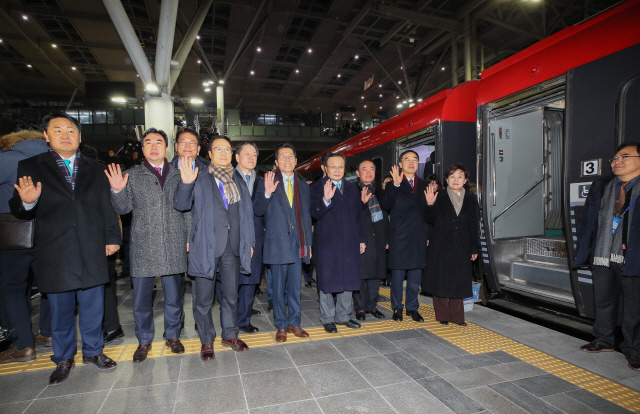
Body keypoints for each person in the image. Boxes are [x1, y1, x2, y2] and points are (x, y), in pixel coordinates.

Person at [10, 113, 121, 385]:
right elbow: (19, 208)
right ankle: (63, 357)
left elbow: (106, 207)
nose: (65, 135)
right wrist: (27, 202)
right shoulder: (32, 165)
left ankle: (94, 351)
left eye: (70, 130)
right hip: (55, 248)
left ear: (79, 137)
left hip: (92, 244)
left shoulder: (96, 168)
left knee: (93, 304)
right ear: (46, 136)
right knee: (60, 308)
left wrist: (113, 237)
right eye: (57, 130)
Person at [106, 128, 190, 363]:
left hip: (173, 239)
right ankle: (144, 340)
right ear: (142, 149)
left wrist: (188, 236)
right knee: (142, 297)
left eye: (159, 142)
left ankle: (173, 335)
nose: (154, 146)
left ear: (167, 148)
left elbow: (187, 210)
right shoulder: (131, 175)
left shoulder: (178, 174)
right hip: (144, 242)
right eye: (149, 142)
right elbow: (123, 209)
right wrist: (117, 189)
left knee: (174, 295)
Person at [174, 135, 255, 359]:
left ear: (232, 155)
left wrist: (250, 243)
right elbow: (180, 205)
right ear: (209, 154)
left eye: (227, 150)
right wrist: (186, 183)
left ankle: (230, 334)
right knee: (203, 299)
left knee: (231, 296)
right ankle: (207, 340)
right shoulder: (199, 178)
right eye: (218, 149)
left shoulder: (238, 179)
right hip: (206, 246)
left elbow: (247, 215)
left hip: (233, 247)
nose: (223, 153)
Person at [574, 142, 640, 371]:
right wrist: (585, 253)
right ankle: (604, 340)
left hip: (633, 256)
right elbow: (589, 222)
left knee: (635, 307)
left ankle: (635, 350)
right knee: (603, 300)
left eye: (625, 156)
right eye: (614, 158)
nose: (617, 161)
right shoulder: (602, 185)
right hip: (602, 254)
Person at [0, 126, 52, 364]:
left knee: (13, 288)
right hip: (48, 232)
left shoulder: (7, 159)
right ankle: (48, 332)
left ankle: (24, 344)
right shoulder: (53, 159)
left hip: (12, 233)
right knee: (51, 285)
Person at [253, 143, 311, 343]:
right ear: (276, 163)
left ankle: (295, 323)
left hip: (297, 245)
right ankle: (281, 325)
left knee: (295, 288)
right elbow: (258, 210)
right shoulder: (266, 182)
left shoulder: (303, 186)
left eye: (291, 157)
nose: (287, 160)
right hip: (277, 244)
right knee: (277, 289)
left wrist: (308, 244)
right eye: (283, 157)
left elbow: (307, 217)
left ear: (296, 161)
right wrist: (267, 193)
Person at [311, 152, 366, 333]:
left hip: (350, 241)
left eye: (340, 166)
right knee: (327, 280)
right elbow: (315, 214)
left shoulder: (352, 188)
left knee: (348, 278)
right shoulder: (317, 188)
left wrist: (361, 239)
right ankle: (327, 318)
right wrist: (326, 200)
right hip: (327, 243)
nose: (337, 170)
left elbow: (359, 217)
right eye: (332, 166)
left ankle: (343, 315)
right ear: (324, 168)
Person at [424, 164, 479, 326]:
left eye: (460, 176)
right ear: (447, 179)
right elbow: (428, 219)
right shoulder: (439, 197)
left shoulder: (470, 198)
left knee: (459, 280)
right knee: (440, 280)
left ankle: (457, 317)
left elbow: (474, 225)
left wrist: (475, 247)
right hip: (440, 245)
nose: (456, 180)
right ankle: (442, 315)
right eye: (452, 176)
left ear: (465, 180)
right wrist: (429, 204)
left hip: (462, 245)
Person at [380, 150, 429, 322]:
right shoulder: (393, 184)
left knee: (415, 277)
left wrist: (428, 234)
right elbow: (386, 205)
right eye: (406, 159)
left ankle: (412, 308)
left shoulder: (424, 185)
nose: (411, 162)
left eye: (414, 159)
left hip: (418, 237)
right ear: (400, 164)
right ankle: (397, 308)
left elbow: (428, 214)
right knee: (398, 277)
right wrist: (395, 185)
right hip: (399, 237)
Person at [169, 127, 209, 332]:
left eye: (192, 143)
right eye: (182, 142)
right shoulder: (165, 170)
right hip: (173, 233)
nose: (187, 146)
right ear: (176, 147)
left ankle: (199, 321)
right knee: (174, 282)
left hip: (201, 234)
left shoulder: (209, 168)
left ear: (199, 148)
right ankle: (175, 324)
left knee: (199, 281)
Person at [233, 141, 263, 333]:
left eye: (254, 154)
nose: (251, 158)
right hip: (233, 235)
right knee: (231, 280)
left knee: (250, 279)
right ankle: (231, 317)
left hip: (255, 235)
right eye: (247, 154)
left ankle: (243, 319)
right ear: (237, 157)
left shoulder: (260, 181)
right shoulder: (227, 177)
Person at [354, 160, 389, 321]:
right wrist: (361, 204)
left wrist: (387, 238)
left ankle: (372, 306)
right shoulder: (352, 191)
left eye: (372, 169)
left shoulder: (381, 193)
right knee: (361, 275)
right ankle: (360, 308)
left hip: (379, 239)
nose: (368, 172)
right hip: (361, 239)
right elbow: (351, 218)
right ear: (357, 173)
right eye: (364, 169)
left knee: (376, 275)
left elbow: (388, 217)